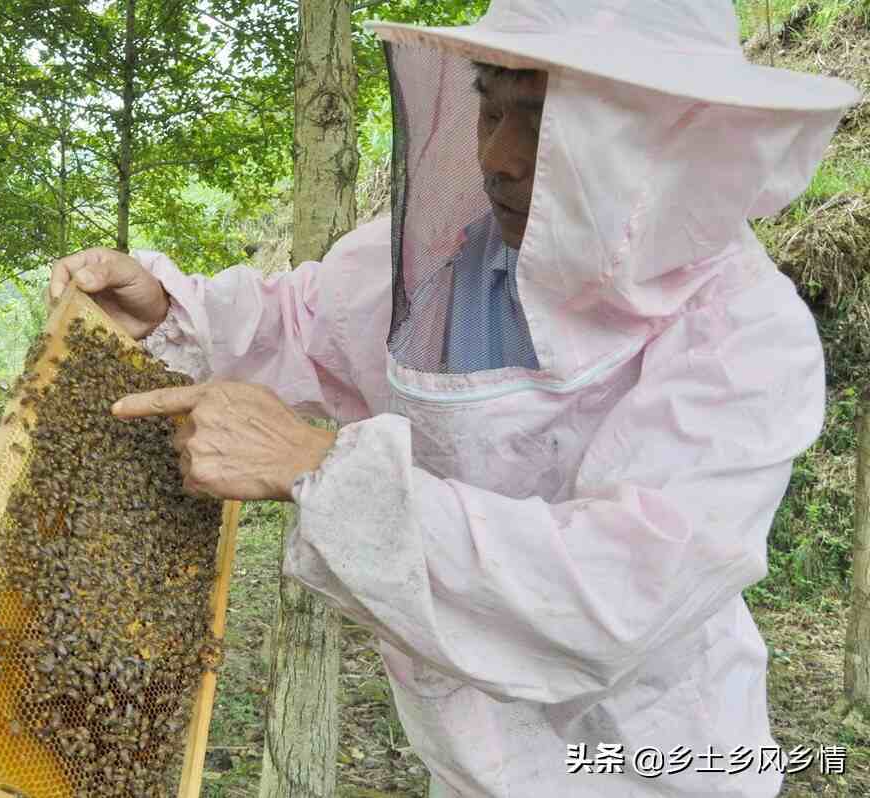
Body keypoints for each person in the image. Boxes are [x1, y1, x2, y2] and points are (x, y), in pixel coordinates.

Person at [46, 1, 859, 795]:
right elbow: (307, 321)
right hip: (469, 755)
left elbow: (616, 593)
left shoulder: (747, 336)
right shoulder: (444, 255)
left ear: (652, 136)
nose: (497, 157)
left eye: (540, 122)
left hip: (654, 760)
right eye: (488, 107)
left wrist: (323, 467)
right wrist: (166, 310)